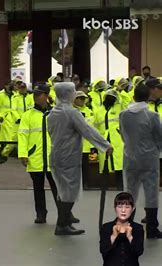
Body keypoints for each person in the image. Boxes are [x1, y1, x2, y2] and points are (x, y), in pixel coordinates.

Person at [48, 82, 113, 236]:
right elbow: (87, 130)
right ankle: (62, 225)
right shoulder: (72, 113)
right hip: (69, 156)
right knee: (69, 191)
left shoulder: (53, 112)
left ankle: (65, 222)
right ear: (68, 94)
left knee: (63, 191)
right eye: (72, 91)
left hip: (57, 155)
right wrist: (105, 145)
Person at [120, 83, 162, 239]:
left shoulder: (123, 114)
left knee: (130, 193)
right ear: (148, 97)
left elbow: (123, 135)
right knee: (151, 194)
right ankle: (151, 229)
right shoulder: (152, 116)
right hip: (149, 160)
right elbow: (160, 138)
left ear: (133, 96)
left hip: (130, 158)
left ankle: (127, 227)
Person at [18, 83, 59, 224]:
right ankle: (41, 214)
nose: (36, 97)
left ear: (47, 96)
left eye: (39, 94)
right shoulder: (27, 115)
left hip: (52, 157)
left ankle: (64, 214)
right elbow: (22, 135)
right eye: (35, 94)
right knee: (38, 189)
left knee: (58, 188)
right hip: (35, 157)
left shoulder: (54, 113)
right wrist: (23, 154)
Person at [100, 192, 144, 266]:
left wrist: (130, 237)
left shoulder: (138, 228)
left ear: (132, 209)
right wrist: (113, 236)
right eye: (120, 207)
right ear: (115, 208)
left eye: (127, 207)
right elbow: (103, 250)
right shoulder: (106, 227)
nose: (123, 210)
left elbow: (139, 251)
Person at [93, 89, 124, 190]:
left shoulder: (120, 108)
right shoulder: (98, 111)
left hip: (117, 138)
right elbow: (95, 127)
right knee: (105, 164)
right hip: (104, 139)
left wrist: (120, 91)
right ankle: (104, 186)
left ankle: (120, 185)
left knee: (119, 164)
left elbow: (128, 102)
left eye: (113, 97)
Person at [1, 80, 34, 162]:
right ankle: (4, 154)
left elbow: (32, 107)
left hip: (27, 121)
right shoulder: (15, 98)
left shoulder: (29, 97)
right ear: (19, 89)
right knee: (13, 139)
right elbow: (13, 109)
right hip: (18, 122)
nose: (22, 90)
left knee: (28, 138)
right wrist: (18, 118)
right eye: (21, 88)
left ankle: (25, 154)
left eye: (24, 88)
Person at [73, 91, 94, 189]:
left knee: (85, 167)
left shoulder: (89, 110)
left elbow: (91, 127)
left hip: (85, 145)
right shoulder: (72, 110)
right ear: (75, 99)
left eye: (83, 98)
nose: (82, 100)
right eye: (80, 98)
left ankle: (85, 184)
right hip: (74, 145)